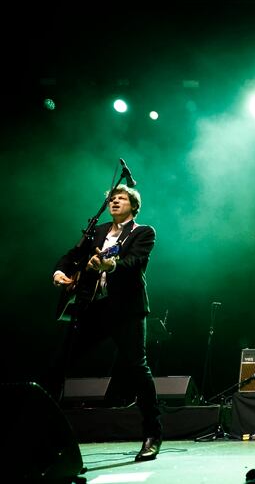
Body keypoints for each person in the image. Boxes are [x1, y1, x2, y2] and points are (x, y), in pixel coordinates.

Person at [50, 185, 163, 461]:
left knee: (137, 368)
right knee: (61, 363)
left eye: (121, 198)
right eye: (112, 198)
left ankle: (152, 434)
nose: (114, 201)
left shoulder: (142, 232)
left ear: (133, 206)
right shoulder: (98, 231)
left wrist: (109, 266)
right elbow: (73, 255)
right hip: (94, 308)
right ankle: (46, 433)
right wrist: (60, 271)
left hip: (126, 310)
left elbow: (135, 263)